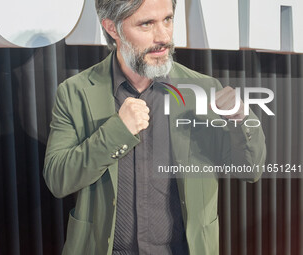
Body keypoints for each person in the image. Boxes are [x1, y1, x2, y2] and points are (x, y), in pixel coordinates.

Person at [43, 0, 266, 254]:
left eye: (168, 20)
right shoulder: (75, 93)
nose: (163, 37)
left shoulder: (203, 90)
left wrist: (242, 118)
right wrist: (117, 131)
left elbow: (251, 169)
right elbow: (58, 179)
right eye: (146, 24)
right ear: (112, 28)